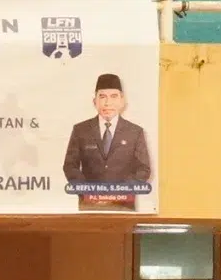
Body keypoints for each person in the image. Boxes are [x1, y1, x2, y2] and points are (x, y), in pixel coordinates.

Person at [60, 72, 153, 211]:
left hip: (123, 206)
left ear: (122, 101)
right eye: (102, 97)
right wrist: (88, 192)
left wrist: (118, 193)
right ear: (94, 101)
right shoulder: (81, 130)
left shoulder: (135, 132)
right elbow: (70, 166)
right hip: (89, 205)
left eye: (113, 96)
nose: (108, 103)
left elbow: (143, 169)